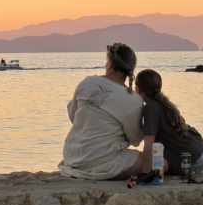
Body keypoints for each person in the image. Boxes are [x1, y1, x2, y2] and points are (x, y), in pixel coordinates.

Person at [59, 43, 144, 180]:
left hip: (73, 157)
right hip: (102, 160)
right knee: (157, 163)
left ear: (109, 64)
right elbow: (135, 140)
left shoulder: (88, 83)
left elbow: (73, 117)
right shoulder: (133, 100)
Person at [135, 69, 203, 175]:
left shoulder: (150, 108)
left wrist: (145, 173)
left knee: (149, 158)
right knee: (157, 152)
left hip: (191, 162)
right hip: (201, 150)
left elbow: (148, 145)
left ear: (138, 88)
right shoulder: (163, 103)